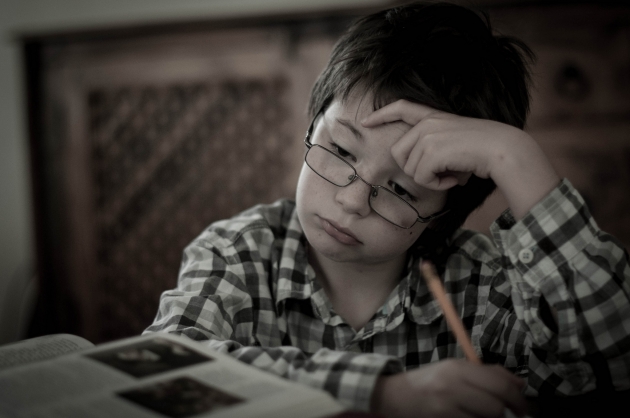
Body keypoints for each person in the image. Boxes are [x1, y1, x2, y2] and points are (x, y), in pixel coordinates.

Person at [144, 2, 630, 417]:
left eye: (401, 189)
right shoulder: (235, 253)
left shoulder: (488, 287)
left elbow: (610, 369)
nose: (352, 201)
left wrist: (515, 157)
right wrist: (382, 394)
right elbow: (166, 367)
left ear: (442, 214)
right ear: (313, 126)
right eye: (341, 150)